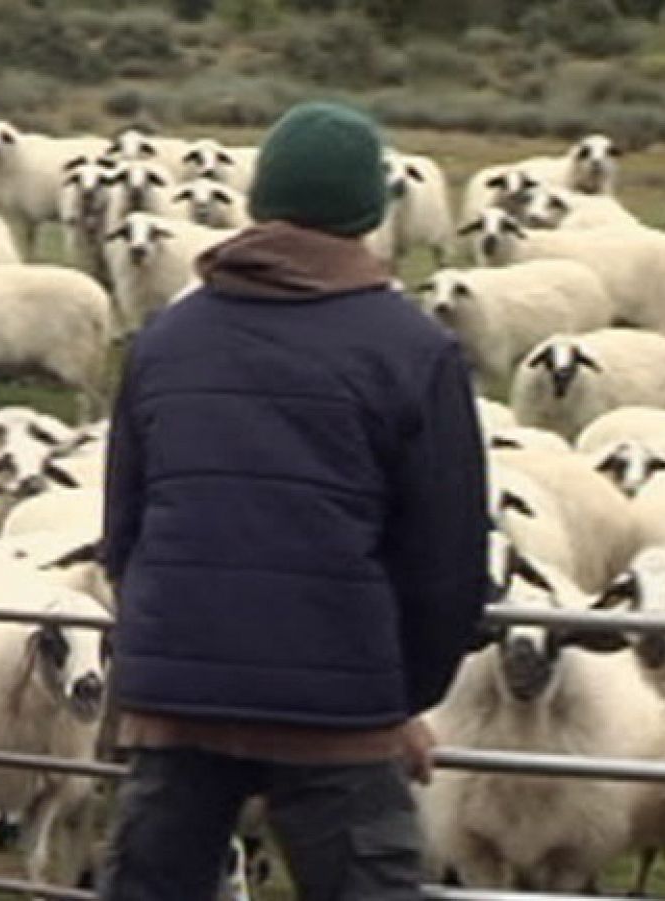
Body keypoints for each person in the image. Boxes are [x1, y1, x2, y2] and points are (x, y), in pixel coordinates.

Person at [99, 101, 490, 900]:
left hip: (177, 704)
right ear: (372, 207)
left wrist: (164, 657)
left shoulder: (167, 338)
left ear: (259, 195)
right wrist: (398, 698)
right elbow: (446, 561)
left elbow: (123, 529)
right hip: (338, 709)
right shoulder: (413, 350)